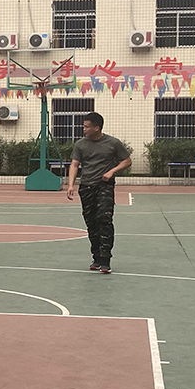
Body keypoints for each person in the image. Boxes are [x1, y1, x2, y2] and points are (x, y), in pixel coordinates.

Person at [66, 112, 132, 274]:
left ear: (97, 128)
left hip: (104, 186)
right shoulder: (80, 144)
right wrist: (71, 185)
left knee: (104, 219)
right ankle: (96, 257)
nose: (84, 129)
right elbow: (74, 165)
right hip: (86, 187)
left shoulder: (113, 143)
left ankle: (105, 259)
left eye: (87, 127)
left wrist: (112, 171)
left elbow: (127, 161)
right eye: (83, 126)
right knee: (91, 223)